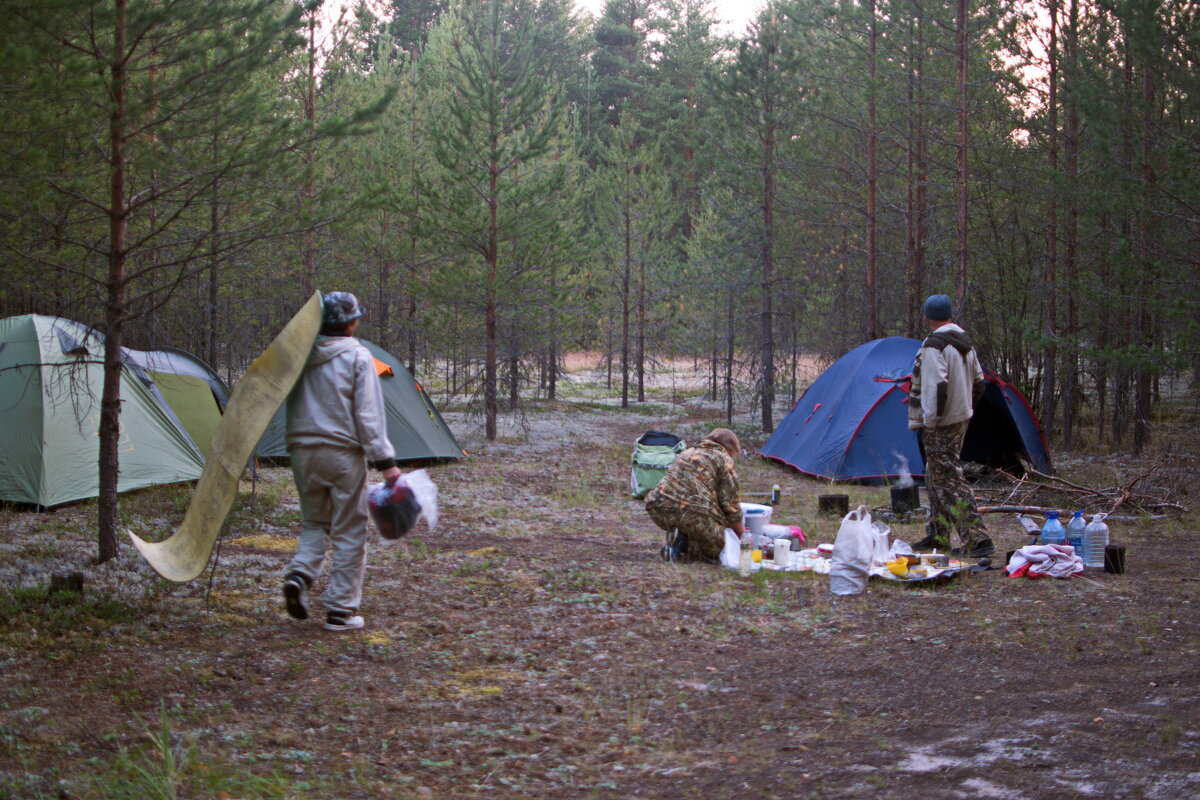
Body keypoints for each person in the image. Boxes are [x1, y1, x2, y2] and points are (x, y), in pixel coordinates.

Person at [282, 291, 402, 631]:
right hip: (342, 454)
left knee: (315, 523)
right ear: (351, 322)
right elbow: (368, 415)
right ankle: (340, 611)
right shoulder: (358, 357)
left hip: (302, 452)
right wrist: (386, 462)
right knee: (349, 530)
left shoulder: (299, 355)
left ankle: (300, 575)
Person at [907, 294, 994, 558]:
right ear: (950, 316)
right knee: (936, 474)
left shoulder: (935, 345)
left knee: (950, 479)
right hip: (959, 416)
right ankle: (938, 535)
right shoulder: (964, 342)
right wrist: (964, 406)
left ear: (926, 318)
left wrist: (931, 421)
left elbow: (937, 386)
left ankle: (979, 540)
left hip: (941, 421)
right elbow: (979, 382)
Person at [644, 428, 745, 563]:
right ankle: (684, 545)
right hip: (692, 512)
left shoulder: (687, 452)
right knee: (723, 550)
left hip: (658, 506)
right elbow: (730, 503)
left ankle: (678, 539)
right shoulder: (723, 458)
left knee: (695, 524)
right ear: (731, 447)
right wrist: (741, 536)